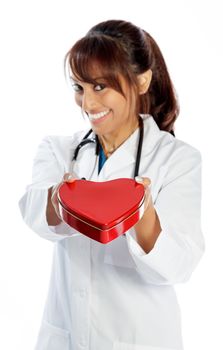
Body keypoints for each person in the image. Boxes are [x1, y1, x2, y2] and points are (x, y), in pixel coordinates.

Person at [19, 19, 204, 350]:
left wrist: (140, 212)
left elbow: (179, 265)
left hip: (142, 339)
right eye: (80, 87)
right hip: (66, 337)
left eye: (100, 87)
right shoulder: (58, 150)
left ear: (142, 80)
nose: (88, 104)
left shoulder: (176, 159)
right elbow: (35, 213)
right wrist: (65, 199)